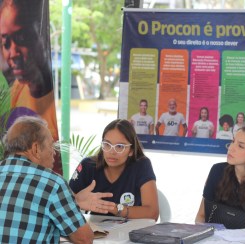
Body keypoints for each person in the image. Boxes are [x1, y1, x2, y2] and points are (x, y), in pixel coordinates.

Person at [0, 116, 95, 243]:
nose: (54, 153)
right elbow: (84, 238)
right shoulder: (52, 183)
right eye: (51, 145)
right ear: (36, 149)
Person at [69, 119, 159, 220]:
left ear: (131, 151)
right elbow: (62, 203)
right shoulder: (87, 165)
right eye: (107, 144)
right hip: (96, 232)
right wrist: (77, 200)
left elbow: (153, 213)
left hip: (131, 231)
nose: (112, 152)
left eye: (119, 146)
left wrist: (116, 209)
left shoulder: (142, 165)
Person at [0, 0, 58, 141]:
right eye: (6, 43)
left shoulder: (47, 96)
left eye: (21, 38)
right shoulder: (17, 89)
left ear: (38, 33)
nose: (13, 53)